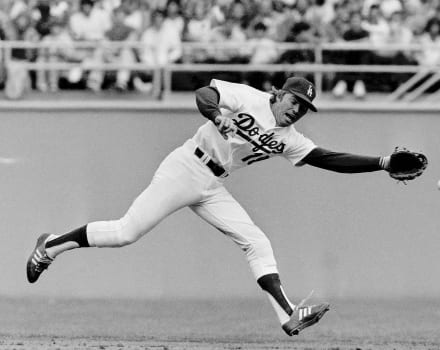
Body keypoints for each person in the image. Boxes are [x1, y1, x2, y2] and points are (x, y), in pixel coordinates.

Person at [27, 77, 398, 336]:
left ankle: (288, 315)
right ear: (280, 93)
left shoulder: (290, 138)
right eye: (296, 102)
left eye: (305, 108)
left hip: (213, 184)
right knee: (126, 232)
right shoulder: (249, 97)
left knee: (256, 241)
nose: (298, 111)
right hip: (187, 166)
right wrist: (217, 113)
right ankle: (51, 245)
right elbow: (205, 92)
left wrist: (381, 163)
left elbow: (328, 158)